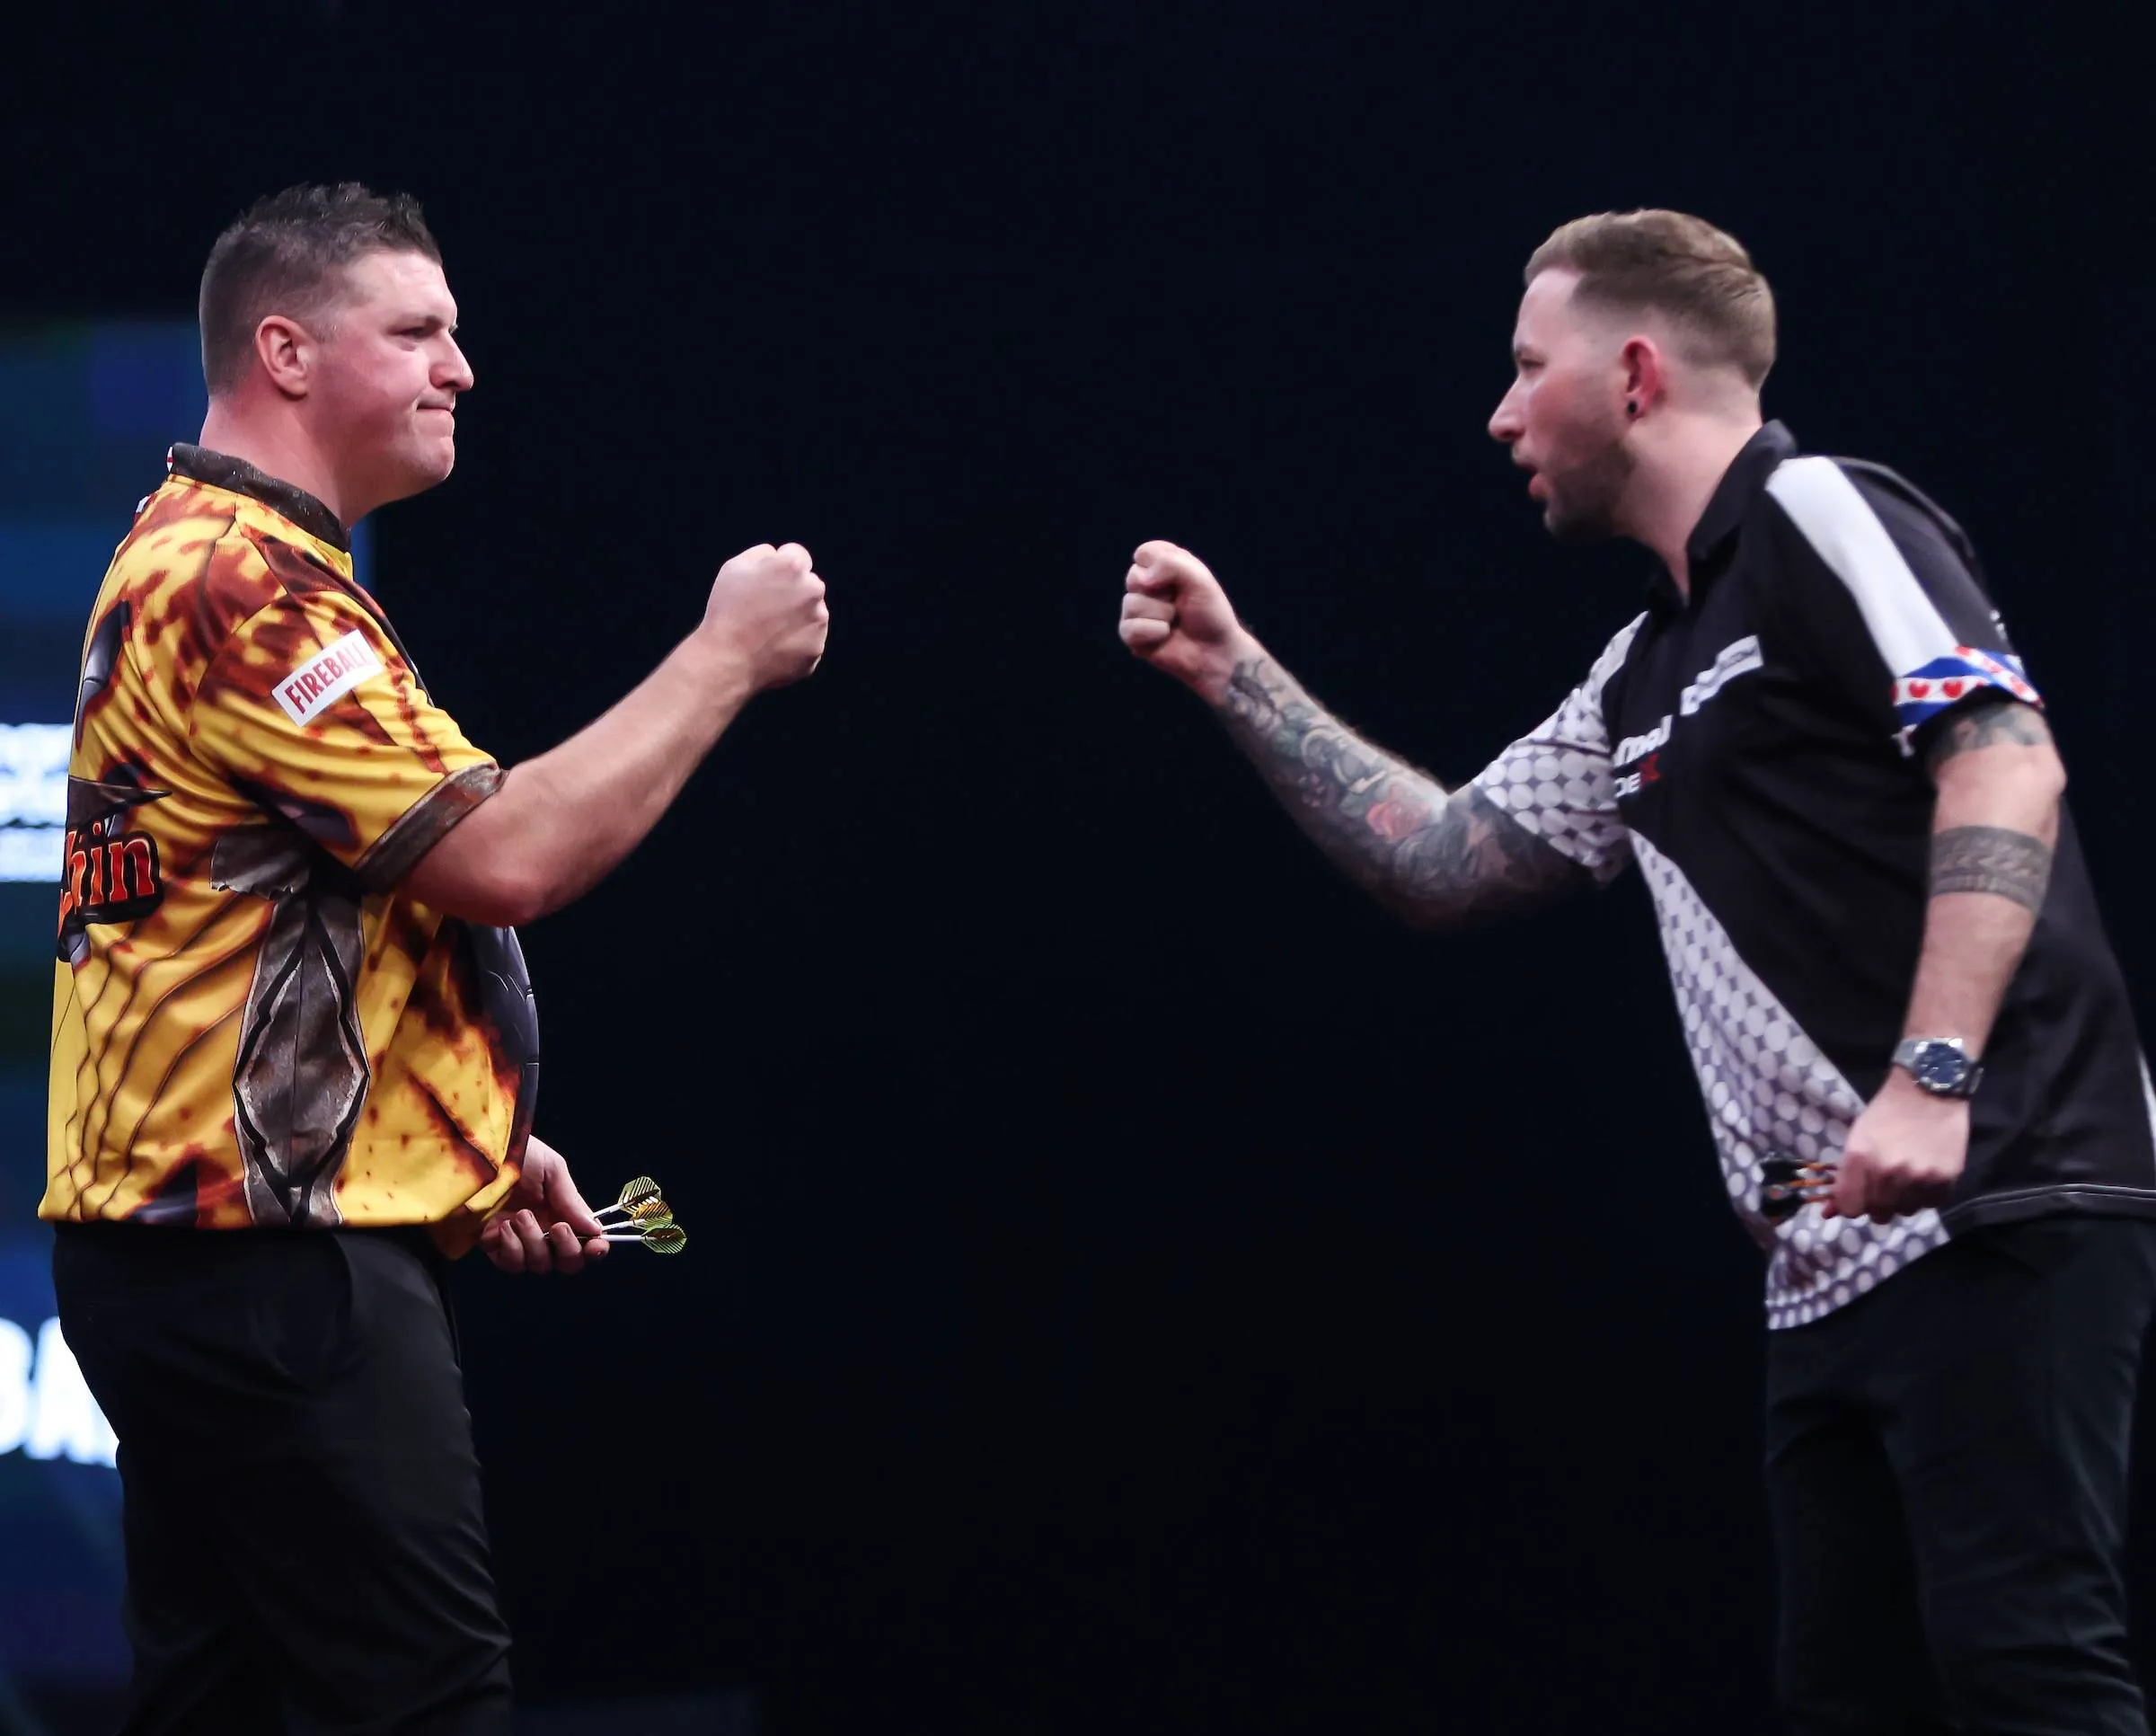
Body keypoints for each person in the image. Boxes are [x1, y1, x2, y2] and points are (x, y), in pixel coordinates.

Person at [1118, 208, 2156, 1732]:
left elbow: (2004, 758)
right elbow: (1446, 860)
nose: (1501, 412)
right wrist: (1231, 670)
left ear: (1639, 373)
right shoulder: (1642, 674)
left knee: (2025, 1666)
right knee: (1851, 1704)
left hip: (1999, 1191)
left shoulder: (1816, 507)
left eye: (1529, 367)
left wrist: (1933, 1076)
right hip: (1832, 1269)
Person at [44, 182, 829, 1732]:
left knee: (227, 1708)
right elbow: (503, 858)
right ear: (285, 349)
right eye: (417, 330)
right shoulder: (238, 586)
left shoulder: (210, 556)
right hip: (268, 1271)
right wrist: (723, 656)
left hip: (198, 1252)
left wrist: (463, 1146)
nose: (459, 366)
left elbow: (276, 937)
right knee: (428, 1707)